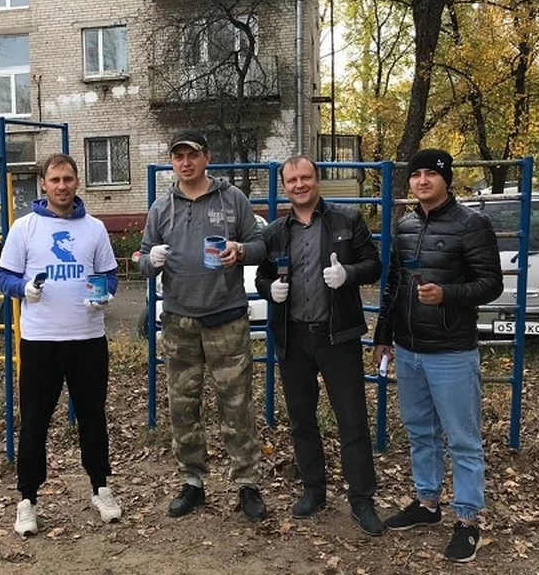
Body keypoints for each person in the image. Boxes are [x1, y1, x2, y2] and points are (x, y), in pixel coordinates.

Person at [373, 148, 503, 563]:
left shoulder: (472, 224)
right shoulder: (406, 224)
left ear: (446, 179)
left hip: (451, 351)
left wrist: (448, 294)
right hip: (410, 349)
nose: (423, 180)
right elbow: (393, 284)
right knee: (419, 431)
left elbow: (491, 284)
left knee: (463, 439)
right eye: (416, 175)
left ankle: (467, 520)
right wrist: (384, 335)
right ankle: (427, 504)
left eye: (432, 173)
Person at [138, 130, 269, 522]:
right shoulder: (161, 208)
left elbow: (261, 247)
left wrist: (241, 251)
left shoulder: (233, 199)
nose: (185, 162)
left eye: (192, 155)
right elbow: (142, 258)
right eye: (178, 156)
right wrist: (151, 260)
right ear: (173, 162)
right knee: (183, 405)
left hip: (226, 317)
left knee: (237, 404)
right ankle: (192, 481)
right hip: (179, 320)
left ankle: (247, 483)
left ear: (206, 157)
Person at [254, 156, 384, 536]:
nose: (299, 185)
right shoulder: (276, 231)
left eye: (305, 177)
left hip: (337, 335)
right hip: (293, 337)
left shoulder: (346, 221)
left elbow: (374, 265)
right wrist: (269, 290)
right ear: (284, 185)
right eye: (292, 179)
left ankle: (362, 499)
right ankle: (314, 489)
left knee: (352, 420)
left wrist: (349, 275)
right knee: (301, 419)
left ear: (317, 179)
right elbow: (262, 276)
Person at [0, 153, 122, 537]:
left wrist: (106, 296)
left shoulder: (95, 228)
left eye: (68, 178)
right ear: (44, 185)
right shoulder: (25, 227)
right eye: (55, 180)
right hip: (40, 341)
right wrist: (24, 290)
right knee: (34, 421)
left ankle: (101, 487)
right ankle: (27, 499)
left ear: (77, 182)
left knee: (93, 417)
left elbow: (110, 275)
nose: (62, 186)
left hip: (87, 339)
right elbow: (3, 276)